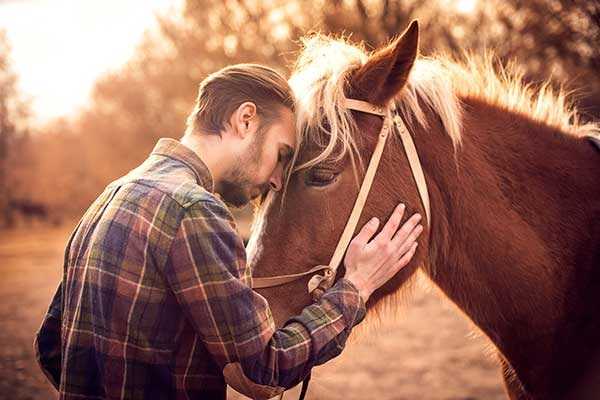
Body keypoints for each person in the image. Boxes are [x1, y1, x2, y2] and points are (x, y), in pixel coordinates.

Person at [34, 64, 423, 400]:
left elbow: (52, 347)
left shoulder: (110, 196)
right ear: (245, 120)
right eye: (282, 154)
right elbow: (266, 368)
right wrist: (356, 286)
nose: (276, 180)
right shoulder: (194, 210)